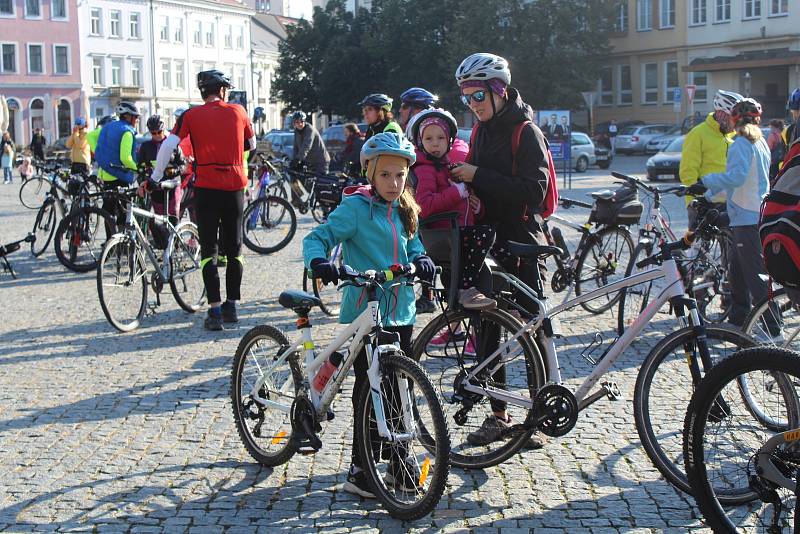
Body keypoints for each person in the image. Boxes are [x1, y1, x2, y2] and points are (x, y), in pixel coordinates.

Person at [303, 132, 435, 498]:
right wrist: (319, 262)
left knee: (398, 387)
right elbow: (319, 237)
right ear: (370, 175)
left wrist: (422, 257)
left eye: (401, 175)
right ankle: (362, 466)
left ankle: (395, 461)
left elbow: (414, 244)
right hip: (365, 310)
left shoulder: (405, 207)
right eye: (385, 176)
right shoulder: (356, 209)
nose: (394, 184)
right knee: (369, 387)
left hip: (401, 311)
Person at [452, 52, 550, 448]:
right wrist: (472, 192)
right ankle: (498, 416)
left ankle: (539, 415)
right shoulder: (479, 132)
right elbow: (482, 184)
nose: (472, 106)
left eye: (477, 96)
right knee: (488, 330)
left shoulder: (525, 132)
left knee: (533, 329)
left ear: (499, 91)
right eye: (466, 99)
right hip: (489, 241)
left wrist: (480, 176)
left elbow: (535, 192)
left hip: (523, 242)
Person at [152, 70, 256, 331]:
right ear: (222, 90)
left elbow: (167, 147)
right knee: (235, 249)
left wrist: (155, 177)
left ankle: (215, 311)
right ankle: (233, 306)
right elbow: (252, 145)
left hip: (207, 187)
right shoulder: (239, 111)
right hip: (234, 187)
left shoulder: (190, 115)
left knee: (208, 251)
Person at [686, 98, 771, 329]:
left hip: (747, 218)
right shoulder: (761, 142)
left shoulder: (741, 143)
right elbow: (738, 184)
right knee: (737, 273)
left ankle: (774, 328)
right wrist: (709, 196)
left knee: (754, 277)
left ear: (734, 119)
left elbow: (736, 178)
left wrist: (705, 181)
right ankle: (738, 320)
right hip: (753, 214)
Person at [410, 107, 495, 316]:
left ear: (449, 141)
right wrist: (456, 192)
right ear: (420, 142)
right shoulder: (424, 169)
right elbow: (424, 206)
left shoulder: (448, 166)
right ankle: (464, 289)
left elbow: (463, 203)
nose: (435, 143)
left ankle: (466, 292)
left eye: (440, 137)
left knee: (490, 235)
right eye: (429, 138)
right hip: (443, 236)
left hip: (457, 231)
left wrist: (477, 207)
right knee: (485, 234)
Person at [679, 89, 742, 227]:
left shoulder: (731, 139)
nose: (736, 123)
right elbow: (688, 170)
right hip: (701, 201)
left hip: (726, 200)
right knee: (698, 246)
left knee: (729, 244)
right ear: (721, 114)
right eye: (734, 118)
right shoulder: (698, 134)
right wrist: (695, 197)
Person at [138, 115, 186, 244]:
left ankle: (174, 244)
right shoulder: (145, 147)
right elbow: (140, 167)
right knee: (158, 219)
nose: (157, 135)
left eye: (159, 132)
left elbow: (183, 165)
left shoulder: (172, 144)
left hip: (172, 184)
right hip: (156, 187)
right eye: (153, 133)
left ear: (164, 130)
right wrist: (143, 180)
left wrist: (174, 170)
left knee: (173, 215)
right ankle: (164, 245)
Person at [767, 118, 786, 183]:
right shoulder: (784, 134)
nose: (770, 129)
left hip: (773, 161)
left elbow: (768, 149)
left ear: (775, 127)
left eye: (771, 127)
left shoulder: (772, 136)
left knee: (772, 179)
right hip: (783, 160)